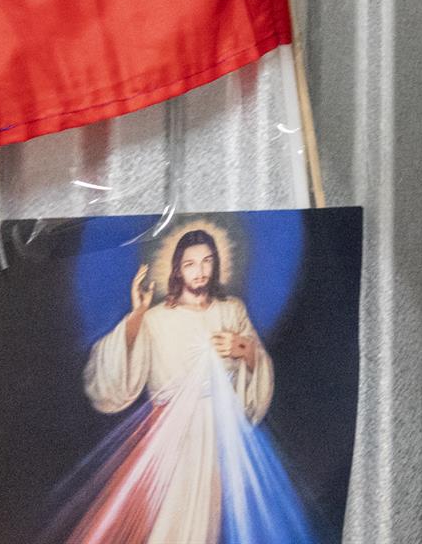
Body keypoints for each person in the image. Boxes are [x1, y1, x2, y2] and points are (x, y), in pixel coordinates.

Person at [70, 228, 275, 544]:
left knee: (209, 525)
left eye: (207, 261)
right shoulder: (156, 318)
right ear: (178, 268)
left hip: (219, 436)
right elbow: (115, 380)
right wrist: (137, 316)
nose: (201, 271)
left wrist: (245, 349)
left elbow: (258, 367)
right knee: (169, 523)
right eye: (191, 264)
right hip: (173, 436)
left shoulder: (231, 310)